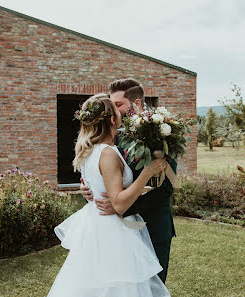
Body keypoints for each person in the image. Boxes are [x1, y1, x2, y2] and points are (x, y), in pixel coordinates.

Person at [47, 94, 170, 297]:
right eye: (116, 110)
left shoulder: (91, 150)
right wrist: (147, 173)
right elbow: (119, 203)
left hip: (97, 227)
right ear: (112, 120)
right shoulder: (108, 154)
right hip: (113, 232)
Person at [80, 78, 177, 283]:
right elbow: (104, 173)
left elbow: (165, 188)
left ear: (137, 104)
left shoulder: (161, 134)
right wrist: (88, 188)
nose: (113, 111)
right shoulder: (113, 136)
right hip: (119, 233)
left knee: (152, 288)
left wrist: (120, 207)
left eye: (118, 105)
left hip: (153, 226)